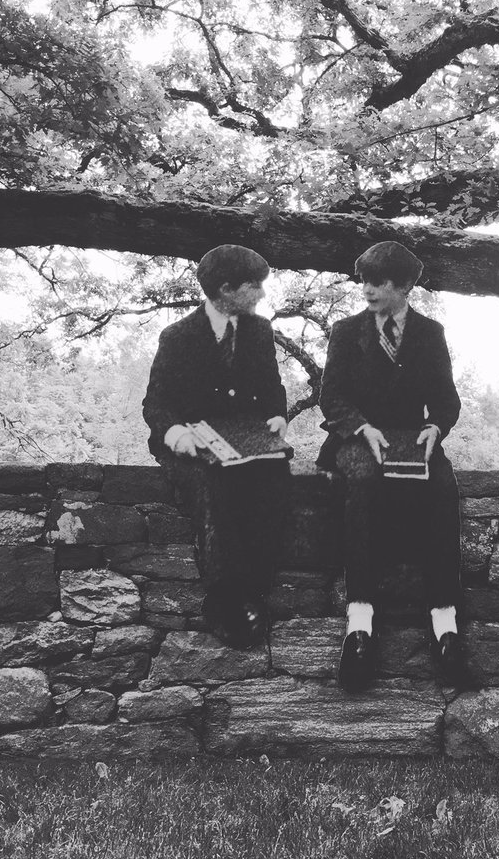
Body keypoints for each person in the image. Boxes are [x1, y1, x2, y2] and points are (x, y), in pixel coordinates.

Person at [317, 240, 466, 691]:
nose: (367, 289)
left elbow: (445, 399)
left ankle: (446, 624)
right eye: (363, 280)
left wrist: (435, 429)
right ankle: (359, 624)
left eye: (378, 282)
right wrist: (363, 428)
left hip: (411, 441)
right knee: (363, 483)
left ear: (404, 286)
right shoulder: (345, 332)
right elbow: (332, 398)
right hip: (355, 439)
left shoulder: (430, 333)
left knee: (443, 489)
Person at [142, 244, 290, 649]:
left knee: (274, 477)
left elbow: (272, 390)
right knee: (215, 488)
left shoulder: (260, 332)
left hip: (245, 439)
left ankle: (256, 591)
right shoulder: (177, 337)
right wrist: (177, 435)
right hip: (191, 442)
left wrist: (279, 415)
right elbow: (156, 404)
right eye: (254, 286)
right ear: (226, 289)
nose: (261, 295)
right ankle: (224, 598)